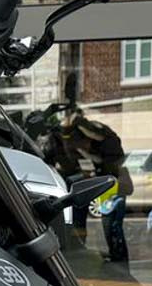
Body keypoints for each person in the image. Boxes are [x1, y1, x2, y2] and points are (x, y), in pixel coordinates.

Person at [57, 112, 132, 262]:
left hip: (110, 182)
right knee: (82, 220)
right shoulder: (79, 145)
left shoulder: (105, 140)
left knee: (110, 222)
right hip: (96, 181)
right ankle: (84, 249)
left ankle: (118, 254)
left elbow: (109, 158)